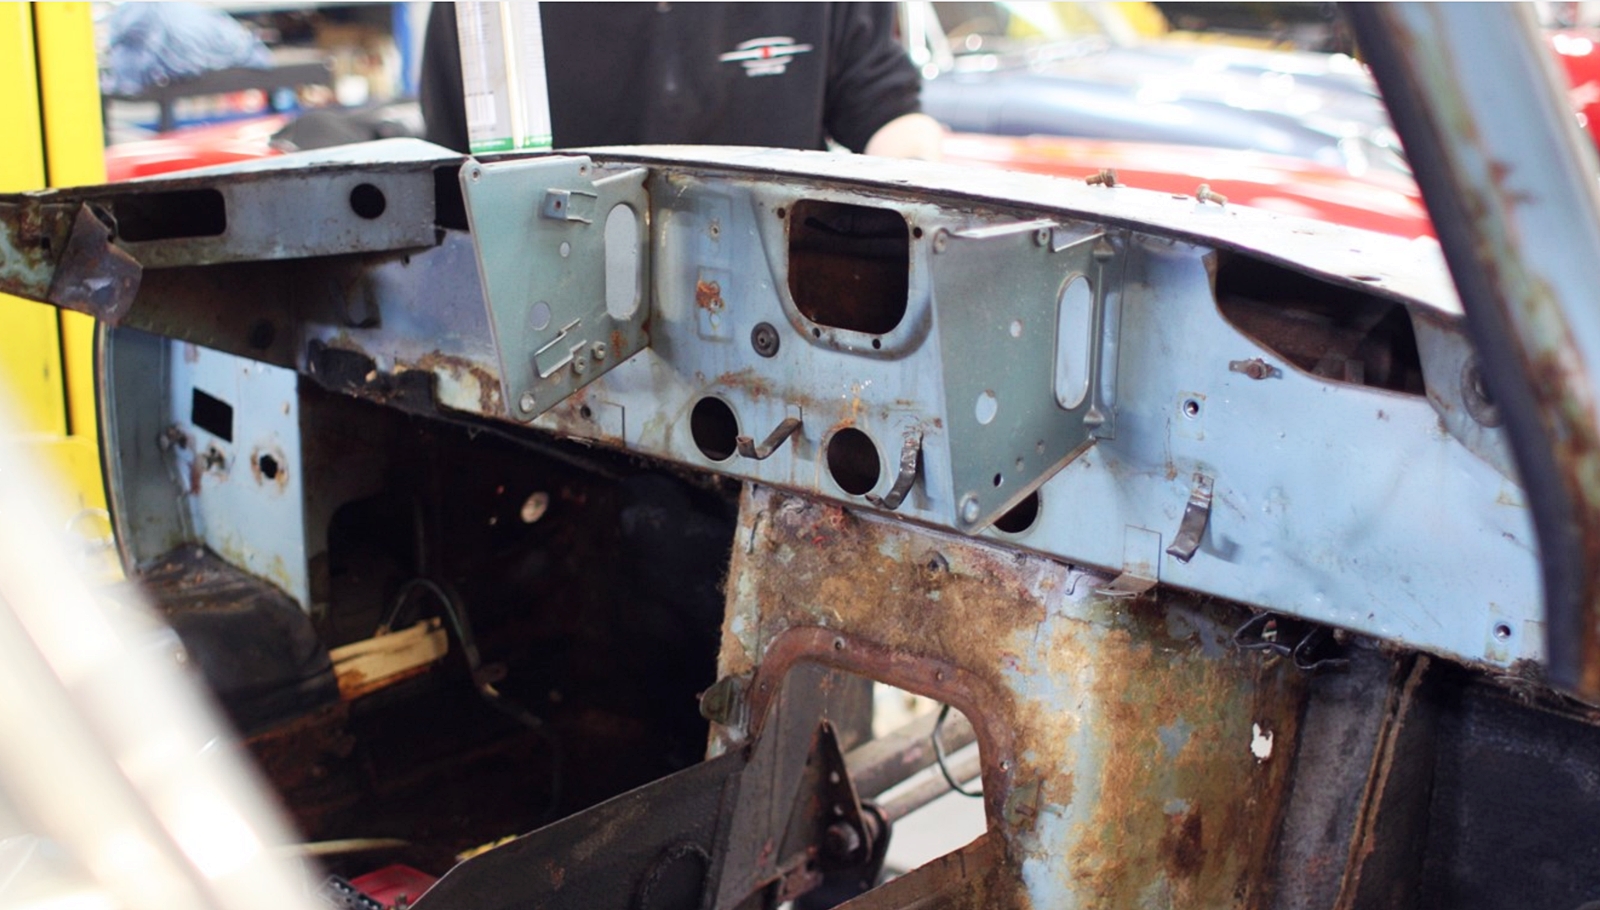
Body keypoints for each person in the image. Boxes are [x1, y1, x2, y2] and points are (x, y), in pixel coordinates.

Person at [420, 2, 944, 159]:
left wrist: (933, 197)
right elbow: (449, 179)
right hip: (554, 332)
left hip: (784, 322)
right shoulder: (487, 13)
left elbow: (886, 113)